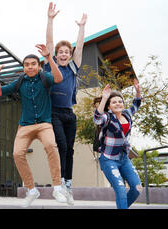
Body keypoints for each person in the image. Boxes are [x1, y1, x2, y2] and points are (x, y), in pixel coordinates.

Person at [0, 44, 72, 207]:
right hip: (25, 126)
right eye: (27, 65)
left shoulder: (45, 77)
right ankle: (31, 190)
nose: (30, 67)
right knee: (17, 154)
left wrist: (49, 57)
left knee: (51, 145)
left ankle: (57, 187)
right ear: (23, 67)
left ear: (38, 65)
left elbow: (59, 78)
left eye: (33, 64)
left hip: (44, 124)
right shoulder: (20, 81)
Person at [45, 2, 88, 200]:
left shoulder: (72, 68)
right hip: (53, 112)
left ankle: (68, 183)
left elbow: (79, 47)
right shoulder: (50, 66)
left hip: (69, 113)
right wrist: (50, 20)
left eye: (66, 52)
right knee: (61, 145)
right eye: (60, 52)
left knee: (69, 149)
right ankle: (60, 181)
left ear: (69, 56)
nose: (63, 54)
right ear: (56, 55)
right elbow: (49, 43)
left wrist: (81, 28)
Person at [93, 81, 143, 209]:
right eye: (114, 102)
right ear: (109, 107)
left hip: (123, 158)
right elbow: (97, 118)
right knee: (120, 190)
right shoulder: (107, 118)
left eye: (120, 101)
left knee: (137, 188)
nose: (118, 104)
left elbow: (136, 104)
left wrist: (137, 91)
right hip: (108, 160)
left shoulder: (127, 114)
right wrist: (104, 98)